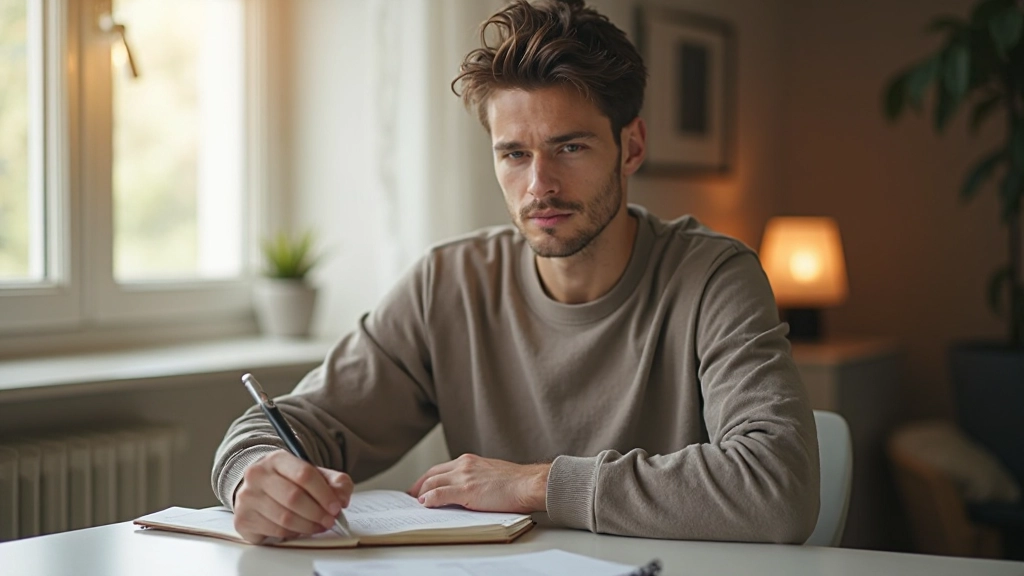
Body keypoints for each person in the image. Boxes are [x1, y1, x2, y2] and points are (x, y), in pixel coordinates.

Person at [212, 0, 820, 545]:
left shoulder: (714, 277)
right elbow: (286, 425)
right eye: (515, 154)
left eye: (570, 147)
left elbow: (777, 488)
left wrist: (537, 485)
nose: (540, 186)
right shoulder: (447, 283)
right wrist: (253, 478)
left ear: (631, 147)